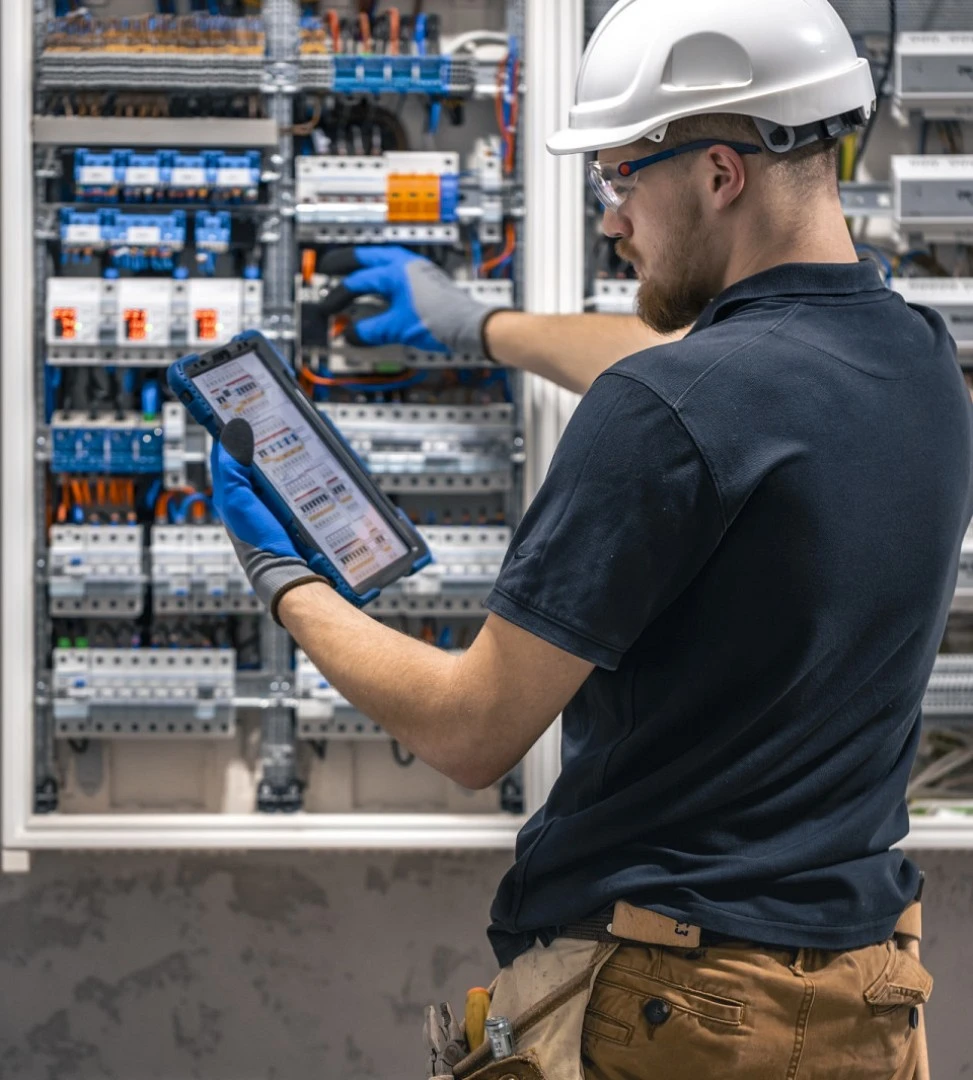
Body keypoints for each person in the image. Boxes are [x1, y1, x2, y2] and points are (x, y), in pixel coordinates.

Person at [211, 0, 973, 1075]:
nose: (612, 219)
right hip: (869, 1003)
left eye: (622, 178)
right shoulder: (920, 362)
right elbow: (704, 377)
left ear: (719, 174)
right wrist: (476, 324)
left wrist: (282, 574)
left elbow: (473, 732)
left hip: (678, 1011)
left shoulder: (662, 410)